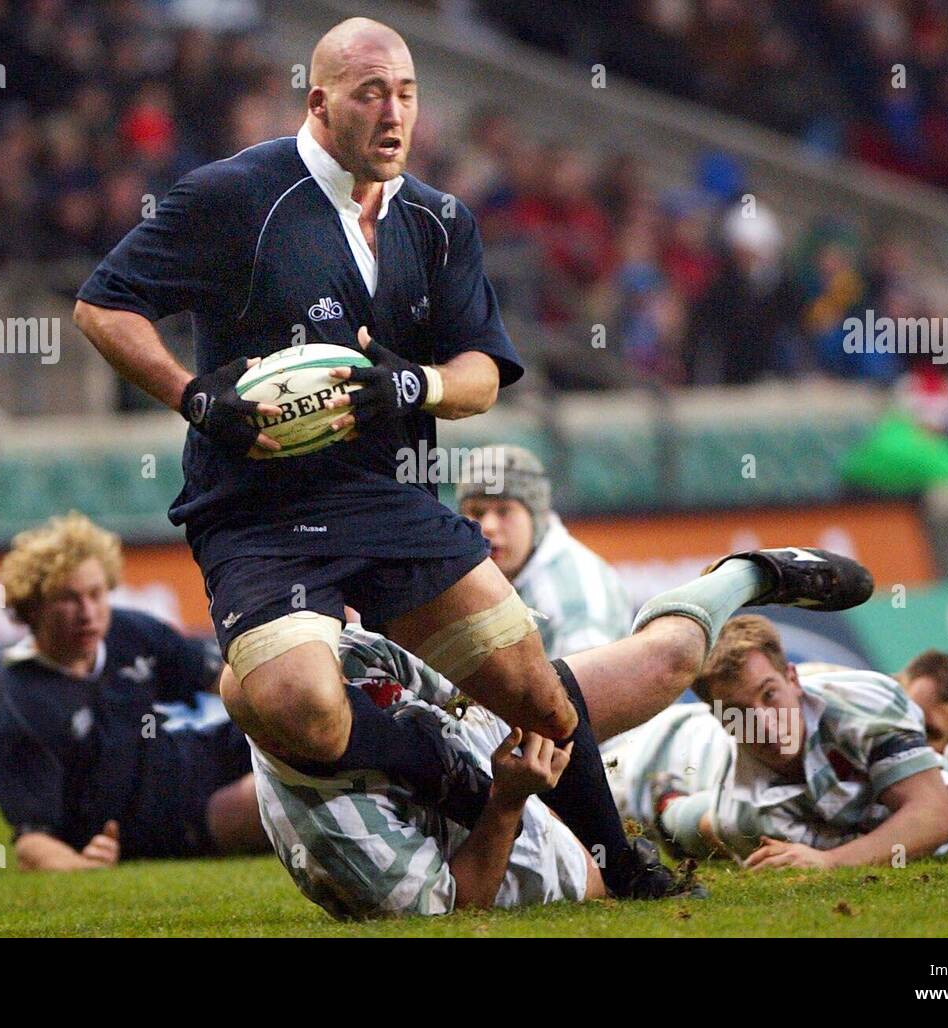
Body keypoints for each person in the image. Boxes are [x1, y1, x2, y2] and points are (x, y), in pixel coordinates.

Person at [72, 16, 717, 898]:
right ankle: (441, 768)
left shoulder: (440, 220)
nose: (394, 112)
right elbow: (104, 307)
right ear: (319, 100)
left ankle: (619, 859)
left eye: (407, 93)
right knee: (297, 702)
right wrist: (196, 397)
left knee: (541, 700)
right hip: (258, 516)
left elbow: (484, 374)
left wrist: (415, 387)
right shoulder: (235, 197)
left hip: (391, 497)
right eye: (371, 92)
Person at [250, 548, 875, 918]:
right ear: (297, 736)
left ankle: (750, 574)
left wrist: (525, 697)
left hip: (493, 751)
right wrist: (508, 800)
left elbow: (452, 694)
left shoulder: (339, 656)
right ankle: (646, 840)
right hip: (509, 840)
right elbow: (454, 908)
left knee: (668, 664)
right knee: (704, 823)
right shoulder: (337, 834)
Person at [605, 616, 948, 869]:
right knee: (696, 826)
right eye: (741, 710)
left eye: (769, 694)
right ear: (721, 718)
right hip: (644, 760)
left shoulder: (866, 702)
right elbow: (895, 833)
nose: (764, 720)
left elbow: (938, 818)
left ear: (792, 678)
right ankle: (666, 807)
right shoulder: (743, 808)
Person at [0, 513, 268, 870]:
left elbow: (226, 681)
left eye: (96, 594)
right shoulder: (20, 706)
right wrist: (81, 864)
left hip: (200, 755)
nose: (88, 613)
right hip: (163, 820)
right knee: (271, 799)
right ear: (33, 607)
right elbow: (32, 841)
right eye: (68, 599)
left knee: (302, 727)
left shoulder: (130, 632)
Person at [456, 444, 632, 658]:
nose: (489, 526)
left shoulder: (575, 595)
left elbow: (594, 686)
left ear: (536, 517)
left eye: (504, 511)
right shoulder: (472, 578)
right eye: (477, 512)